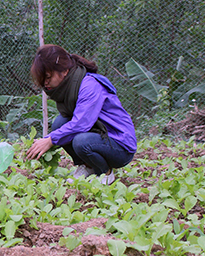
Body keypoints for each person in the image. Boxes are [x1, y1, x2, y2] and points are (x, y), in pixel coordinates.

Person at [26, 44, 137, 185]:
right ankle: (88, 166)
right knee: (59, 123)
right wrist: (47, 139)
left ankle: (105, 173)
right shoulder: (69, 87)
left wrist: (50, 140)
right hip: (99, 135)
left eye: (48, 77)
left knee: (80, 141)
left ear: (64, 70)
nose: (45, 83)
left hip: (120, 145)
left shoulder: (89, 86)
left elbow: (81, 124)